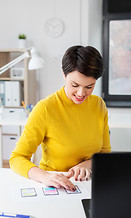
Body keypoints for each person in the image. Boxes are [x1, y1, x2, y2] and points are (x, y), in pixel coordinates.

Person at [9, 45, 111, 191]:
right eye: (74, 85)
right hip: (53, 185)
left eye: (89, 87)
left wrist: (85, 165)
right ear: (64, 74)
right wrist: (45, 176)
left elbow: (104, 152)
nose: (81, 93)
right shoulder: (45, 108)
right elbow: (17, 158)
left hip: (88, 184)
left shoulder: (99, 105)